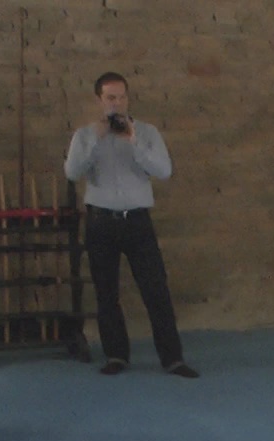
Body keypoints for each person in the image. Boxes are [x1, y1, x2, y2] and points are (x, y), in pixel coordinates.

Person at [64, 71, 195, 378]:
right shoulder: (84, 135)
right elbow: (72, 172)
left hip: (137, 221)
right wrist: (95, 140)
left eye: (122, 97)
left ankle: (173, 358)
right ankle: (116, 355)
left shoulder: (147, 132)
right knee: (106, 292)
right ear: (99, 100)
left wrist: (134, 141)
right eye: (111, 98)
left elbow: (164, 171)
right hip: (101, 221)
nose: (117, 103)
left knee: (156, 289)